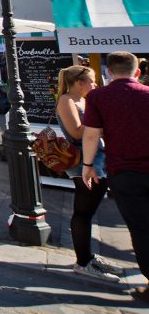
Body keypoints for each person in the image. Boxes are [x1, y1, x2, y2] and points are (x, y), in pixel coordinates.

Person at [82, 51, 149, 303]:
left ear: (108, 72)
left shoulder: (99, 96)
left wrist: (88, 165)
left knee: (141, 229)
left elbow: (91, 135)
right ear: (138, 72)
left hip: (124, 172)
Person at [54, 66, 122, 282]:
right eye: (91, 81)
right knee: (83, 212)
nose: (95, 84)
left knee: (88, 211)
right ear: (79, 82)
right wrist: (102, 123)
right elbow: (75, 131)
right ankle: (83, 261)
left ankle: (88, 257)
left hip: (96, 158)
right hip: (83, 161)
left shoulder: (83, 100)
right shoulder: (66, 100)